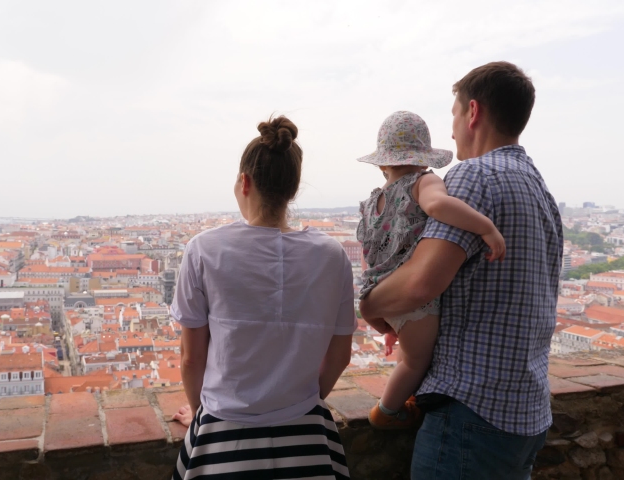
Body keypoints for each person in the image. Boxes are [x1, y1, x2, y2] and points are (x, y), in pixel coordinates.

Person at [359, 61, 563, 479]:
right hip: (526, 410)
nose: (452, 132)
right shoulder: (540, 188)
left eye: (453, 116)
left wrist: (367, 305)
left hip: (472, 409)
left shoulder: (473, 177)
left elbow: (419, 284)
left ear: (472, 113)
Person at [170, 116, 355, 480]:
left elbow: (192, 358)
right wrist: (296, 401)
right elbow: (340, 354)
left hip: (223, 433)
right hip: (307, 440)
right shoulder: (332, 255)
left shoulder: (205, 250)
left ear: (244, 182)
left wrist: (202, 415)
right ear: (293, 188)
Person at [355, 110, 505, 429]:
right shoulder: (424, 181)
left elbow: (369, 252)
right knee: (415, 360)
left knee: (405, 349)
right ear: (424, 158)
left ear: (383, 162)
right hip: (414, 300)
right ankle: (386, 412)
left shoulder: (372, 202)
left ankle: (398, 381)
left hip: (376, 293)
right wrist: (486, 227)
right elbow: (438, 206)